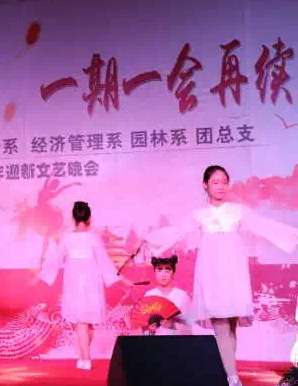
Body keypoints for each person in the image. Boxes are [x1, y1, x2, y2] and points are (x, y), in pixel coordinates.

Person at [145, 165, 298, 386]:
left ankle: (228, 373)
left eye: (224, 182)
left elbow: (264, 226)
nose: (220, 186)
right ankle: (232, 377)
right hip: (211, 274)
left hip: (234, 273)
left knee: (231, 327)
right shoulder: (199, 214)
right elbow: (176, 231)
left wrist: (293, 234)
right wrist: (151, 239)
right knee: (221, 326)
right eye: (215, 182)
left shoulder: (238, 210)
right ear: (205, 185)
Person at [37, 201, 133, 370]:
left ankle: (84, 358)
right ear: (89, 218)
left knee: (84, 323)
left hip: (76, 283)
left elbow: (54, 260)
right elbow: (105, 263)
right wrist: (122, 279)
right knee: (84, 322)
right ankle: (85, 358)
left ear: (73, 218)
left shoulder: (68, 238)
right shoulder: (92, 238)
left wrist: (40, 275)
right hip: (90, 284)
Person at [142, 255, 191, 335]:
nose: (163, 275)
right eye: (160, 270)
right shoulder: (149, 295)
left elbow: (190, 326)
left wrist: (173, 325)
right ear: (155, 273)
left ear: (173, 273)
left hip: (177, 340)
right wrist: (150, 329)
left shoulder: (182, 296)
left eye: (167, 271)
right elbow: (143, 326)